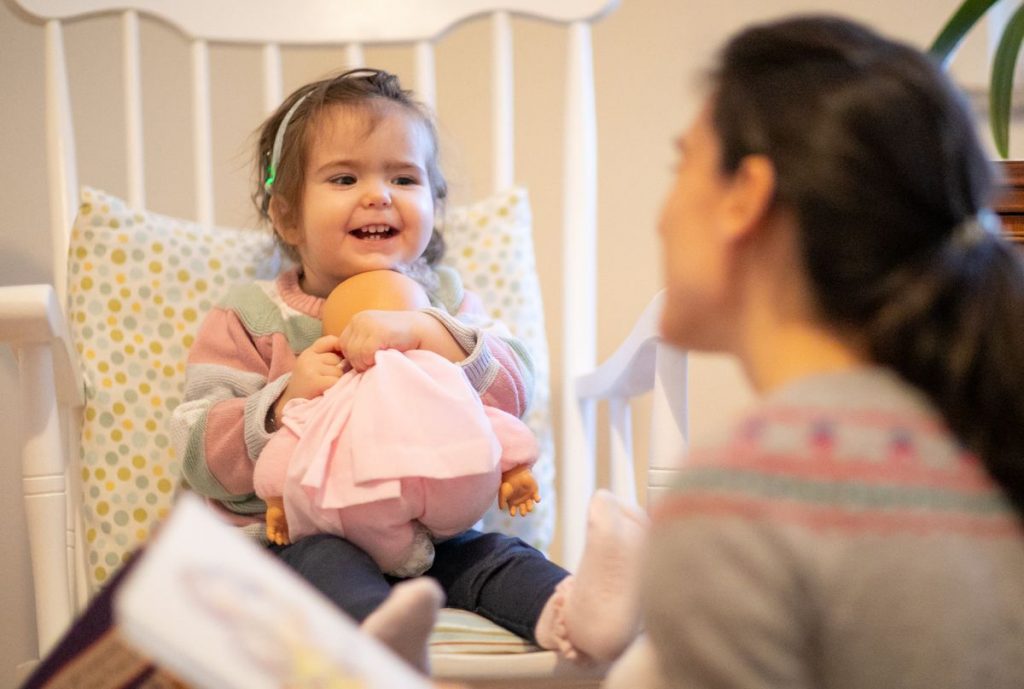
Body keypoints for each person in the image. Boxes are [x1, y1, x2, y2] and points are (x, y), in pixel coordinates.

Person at [170, 68, 645, 673]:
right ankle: (381, 641)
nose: (379, 194)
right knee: (325, 565)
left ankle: (575, 611)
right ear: (288, 218)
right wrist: (283, 400)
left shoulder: (447, 302)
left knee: (498, 555)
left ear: (432, 204)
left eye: (403, 177)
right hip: (298, 543)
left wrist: (430, 333)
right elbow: (196, 446)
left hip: (435, 538)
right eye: (345, 177)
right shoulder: (253, 315)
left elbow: (516, 389)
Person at [620, 14, 1024, 689]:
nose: (662, 213)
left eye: (681, 161)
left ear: (744, 196)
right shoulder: (980, 447)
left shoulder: (737, 503)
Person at [253, 268, 542, 578]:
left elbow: (489, 417)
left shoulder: (441, 380)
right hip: (342, 540)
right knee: (325, 564)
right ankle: (378, 618)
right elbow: (291, 443)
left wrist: (515, 468)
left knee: (499, 554)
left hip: (452, 539)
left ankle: (560, 602)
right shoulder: (331, 395)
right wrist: (278, 500)